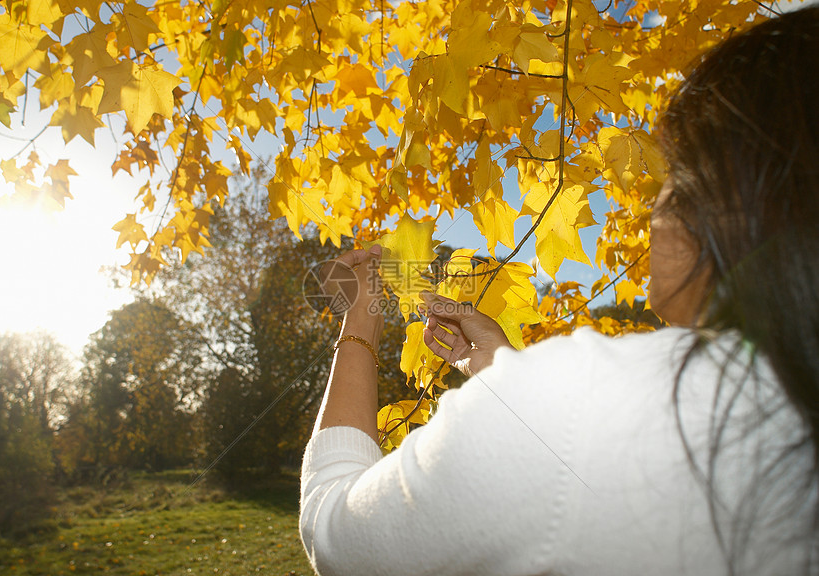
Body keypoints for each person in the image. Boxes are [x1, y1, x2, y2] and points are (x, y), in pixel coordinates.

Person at [299, 6, 819, 575]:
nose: (654, 204)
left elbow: (337, 536)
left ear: (742, 196)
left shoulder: (584, 399)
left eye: (672, 173)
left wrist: (360, 320)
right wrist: (500, 368)